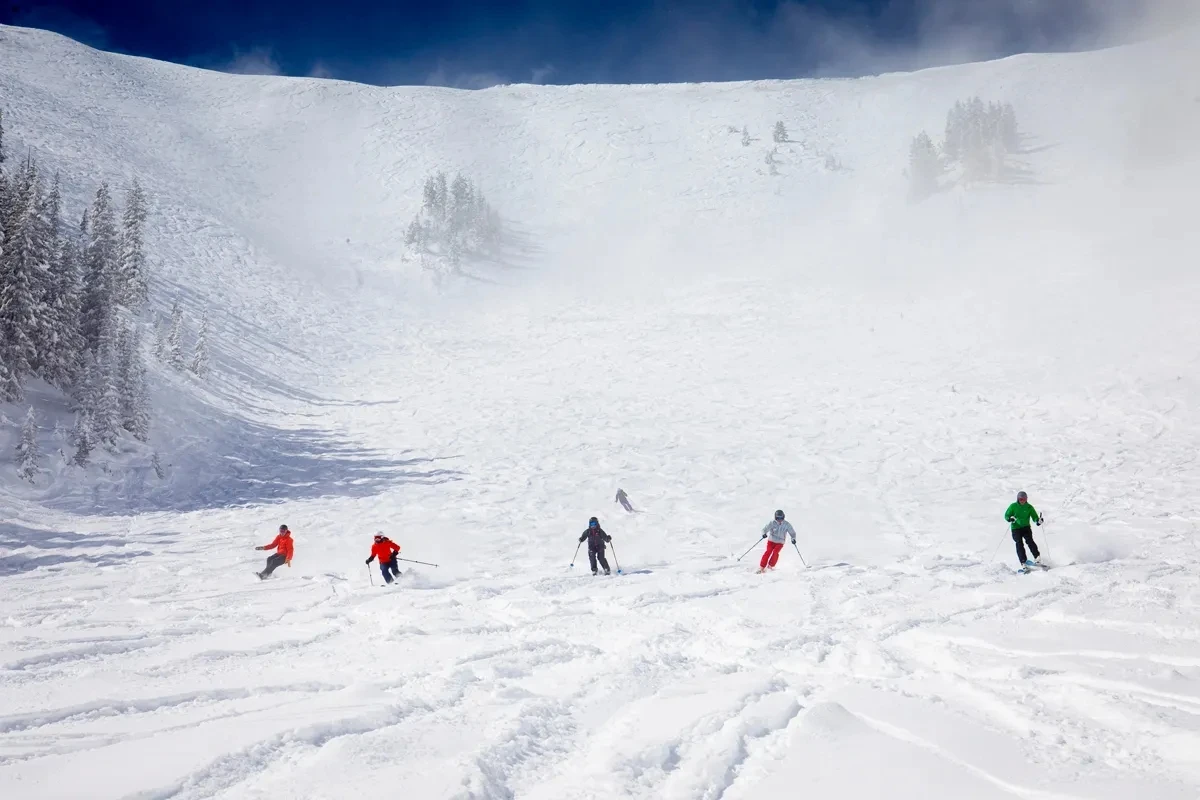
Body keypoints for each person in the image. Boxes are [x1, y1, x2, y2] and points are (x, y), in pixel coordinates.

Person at [1004, 491, 1043, 568]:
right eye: (1021, 499)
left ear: (1026, 499)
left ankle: (1037, 557)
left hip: (1026, 527)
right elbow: (1006, 515)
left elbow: (1035, 517)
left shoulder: (1029, 507)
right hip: (1016, 528)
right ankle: (1023, 561)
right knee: (1019, 543)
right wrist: (1010, 518)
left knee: (1030, 541)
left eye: (1024, 499)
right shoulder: (1013, 506)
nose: (1022, 501)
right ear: (1018, 499)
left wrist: (1038, 521)